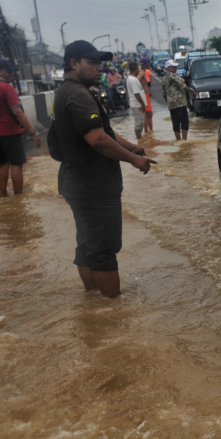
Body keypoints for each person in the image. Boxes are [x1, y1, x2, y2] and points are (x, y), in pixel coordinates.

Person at [52, 40, 156, 298]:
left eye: (100, 62)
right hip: (93, 186)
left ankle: (94, 305)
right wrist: (133, 160)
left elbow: (104, 133)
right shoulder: (78, 95)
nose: (99, 67)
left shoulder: (66, 91)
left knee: (87, 245)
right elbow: (97, 140)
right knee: (103, 251)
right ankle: (113, 313)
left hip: (78, 183)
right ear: (74, 64)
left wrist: (132, 147)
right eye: (92, 62)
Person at [0, 59, 42, 197]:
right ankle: (18, 198)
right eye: (8, 72)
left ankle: (3, 194)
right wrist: (33, 133)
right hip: (10, 131)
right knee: (16, 164)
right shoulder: (7, 88)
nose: (11, 75)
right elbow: (18, 112)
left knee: (3, 164)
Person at [161, 60, 194, 141]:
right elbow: (183, 86)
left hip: (171, 104)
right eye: (173, 67)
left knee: (175, 123)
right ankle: (184, 141)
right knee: (184, 122)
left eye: (175, 66)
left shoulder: (164, 78)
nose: (175, 68)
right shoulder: (174, 75)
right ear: (168, 68)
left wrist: (168, 102)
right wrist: (192, 91)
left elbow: (164, 93)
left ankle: (178, 141)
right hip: (180, 103)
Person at [126, 62, 147, 139]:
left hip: (137, 104)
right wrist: (142, 103)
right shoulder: (133, 80)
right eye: (138, 69)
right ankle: (139, 139)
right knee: (139, 123)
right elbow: (136, 93)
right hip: (137, 104)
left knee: (140, 122)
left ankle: (140, 138)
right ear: (136, 69)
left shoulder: (131, 78)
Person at [137, 61, 153, 133]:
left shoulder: (143, 72)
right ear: (147, 63)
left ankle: (151, 131)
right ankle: (147, 132)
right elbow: (136, 80)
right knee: (146, 115)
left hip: (145, 95)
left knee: (149, 114)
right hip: (144, 95)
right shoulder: (142, 73)